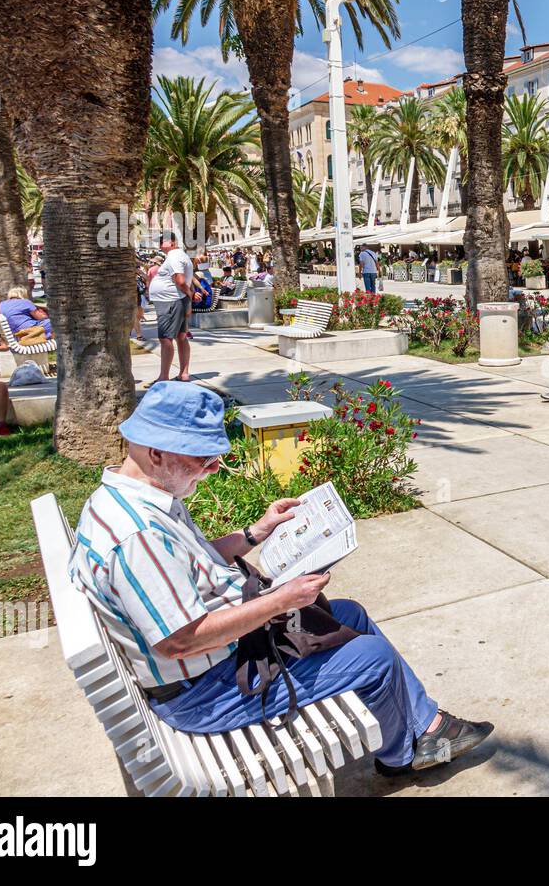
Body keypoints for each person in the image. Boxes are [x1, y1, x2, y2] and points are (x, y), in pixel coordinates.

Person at [68, 383, 493, 773]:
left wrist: (255, 532)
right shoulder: (137, 537)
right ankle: (401, 758)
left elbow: (186, 563)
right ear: (156, 452)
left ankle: (428, 726)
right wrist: (280, 600)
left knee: (350, 614)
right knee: (373, 657)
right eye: (203, 457)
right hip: (203, 692)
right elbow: (181, 639)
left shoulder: (137, 498)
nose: (215, 467)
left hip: (214, 662)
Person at [147, 242, 196, 387]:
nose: (160, 244)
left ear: (172, 243)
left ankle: (164, 377)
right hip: (174, 300)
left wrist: (189, 294)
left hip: (170, 301)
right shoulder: (178, 256)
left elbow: (180, 280)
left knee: (165, 338)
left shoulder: (174, 256)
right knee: (181, 337)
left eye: (164, 241)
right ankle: (183, 373)